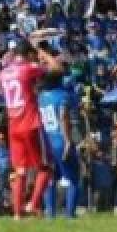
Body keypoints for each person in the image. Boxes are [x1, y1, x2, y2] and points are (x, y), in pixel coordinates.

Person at [0, 38, 62, 219]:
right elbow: (56, 69)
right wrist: (43, 53)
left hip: (13, 125)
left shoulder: (3, 73)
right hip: (31, 122)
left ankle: (17, 214)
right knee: (46, 166)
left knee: (20, 171)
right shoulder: (27, 69)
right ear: (27, 55)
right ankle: (33, 204)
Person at [38, 74, 80, 219]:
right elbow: (63, 115)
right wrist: (68, 140)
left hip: (46, 141)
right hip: (60, 140)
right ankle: (70, 214)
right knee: (73, 178)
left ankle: (50, 214)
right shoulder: (63, 95)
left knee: (50, 178)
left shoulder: (41, 98)